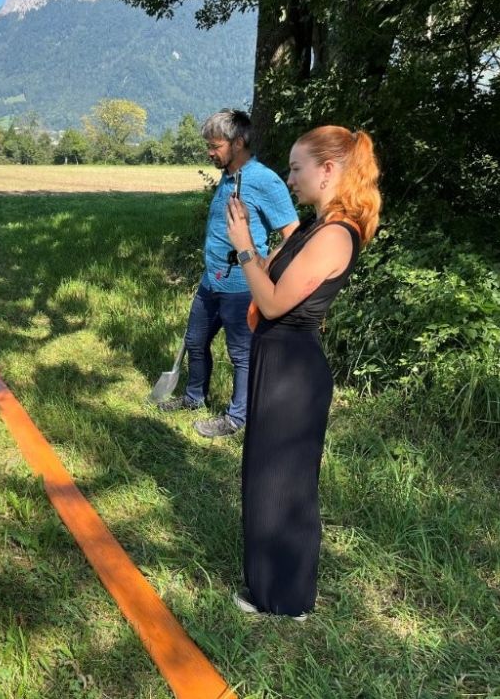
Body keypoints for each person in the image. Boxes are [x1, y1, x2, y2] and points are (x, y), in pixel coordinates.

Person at [226, 125, 381, 620]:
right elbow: (270, 280)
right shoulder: (315, 228)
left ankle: (287, 599)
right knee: (266, 475)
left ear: (329, 170)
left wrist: (245, 245)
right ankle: (267, 588)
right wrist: (255, 251)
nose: (289, 178)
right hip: (279, 361)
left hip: (293, 371)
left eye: (296, 168)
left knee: (284, 482)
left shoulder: (335, 235)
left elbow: (270, 300)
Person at [159, 109, 299, 439]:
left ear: (238, 143)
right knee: (195, 341)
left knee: (241, 354)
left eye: (215, 145)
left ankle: (237, 419)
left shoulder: (264, 180)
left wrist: (266, 266)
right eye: (207, 145)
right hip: (211, 281)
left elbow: (293, 233)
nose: (210, 152)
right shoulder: (228, 176)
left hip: (242, 287)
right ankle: (194, 398)